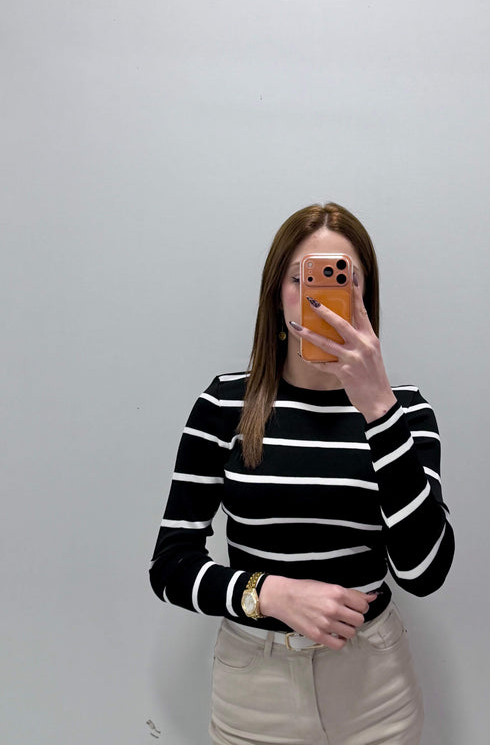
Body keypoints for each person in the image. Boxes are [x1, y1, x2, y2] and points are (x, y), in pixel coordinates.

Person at [149, 202, 455, 745]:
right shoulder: (224, 405)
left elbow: (424, 573)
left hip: (375, 688)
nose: (317, 296)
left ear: (365, 295)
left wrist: (378, 410)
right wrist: (269, 594)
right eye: (302, 278)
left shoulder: (406, 412)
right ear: (276, 292)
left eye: (342, 279)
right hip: (253, 687)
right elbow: (170, 565)